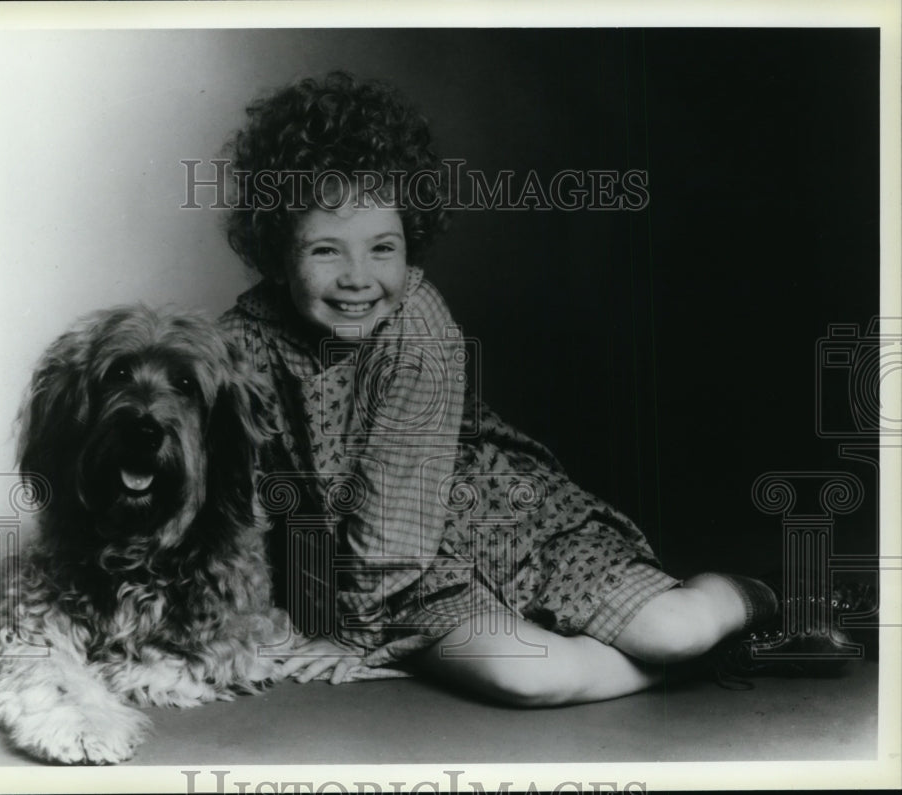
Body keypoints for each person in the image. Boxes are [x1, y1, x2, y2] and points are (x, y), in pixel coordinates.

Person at [218, 71, 847, 706]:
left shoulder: (419, 324)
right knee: (529, 677)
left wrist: (347, 639)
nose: (358, 278)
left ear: (411, 242)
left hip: (498, 523)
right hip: (406, 582)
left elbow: (396, 507)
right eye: (325, 251)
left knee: (673, 631)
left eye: (383, 247)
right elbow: (239, 502)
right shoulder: (240, 344)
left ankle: (776, 597)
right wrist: (287, 619)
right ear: (277, 254)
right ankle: (727, 656)